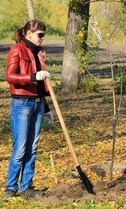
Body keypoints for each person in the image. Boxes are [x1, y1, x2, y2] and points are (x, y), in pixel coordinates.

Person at [4, 19, 54, 199]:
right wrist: (33, 76)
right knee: (20, 148)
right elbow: (10, 76)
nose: (42, 38)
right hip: (21, 104)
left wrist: (46, 108)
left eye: (44, 34)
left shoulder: (38, 53)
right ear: (29, 33)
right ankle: (11, 187)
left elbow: (41, 85)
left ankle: (26, 187)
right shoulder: (16, 50)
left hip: (38, 104)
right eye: (40, 34)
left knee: (32, 148)